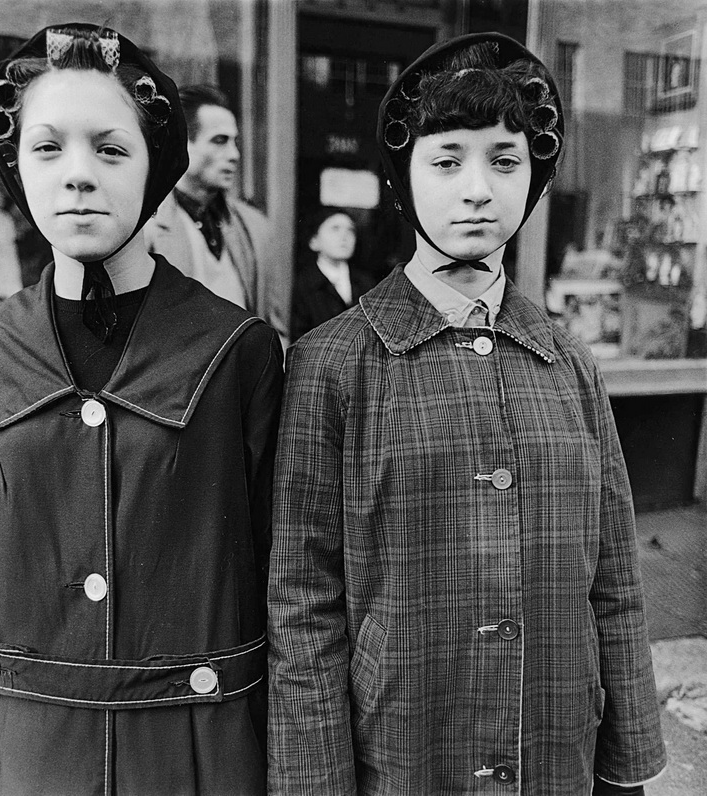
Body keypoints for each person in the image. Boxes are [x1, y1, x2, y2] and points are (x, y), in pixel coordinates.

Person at [267, 32, 666, 795]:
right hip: (407, 751)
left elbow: (614, 582)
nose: (477, 189)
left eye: (504, 160)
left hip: (555, 749)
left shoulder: (571, 366)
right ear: (405, 179)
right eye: (447, 160)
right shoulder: (331, 366)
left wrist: (628, 765)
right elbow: (302, 609)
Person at [0, 23, 282, 795]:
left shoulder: (238, 354)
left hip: (192, 754)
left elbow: (283, 567)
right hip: (4, 753)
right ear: (16, 166)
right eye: (48, 148)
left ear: (154, 169)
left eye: (110, 149)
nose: (77, 176)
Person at [145, 84, 288, 342]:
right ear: (182, 143)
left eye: (235, 142)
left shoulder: (255, 227)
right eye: (219, 141)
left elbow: (275, 329)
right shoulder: (146, 226)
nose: (234, 155)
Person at [290, 206, 377, 341]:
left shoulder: (366, 283)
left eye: (350, 230)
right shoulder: (303, 285)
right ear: (314, 241)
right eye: (335, 229)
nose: (344, 236)